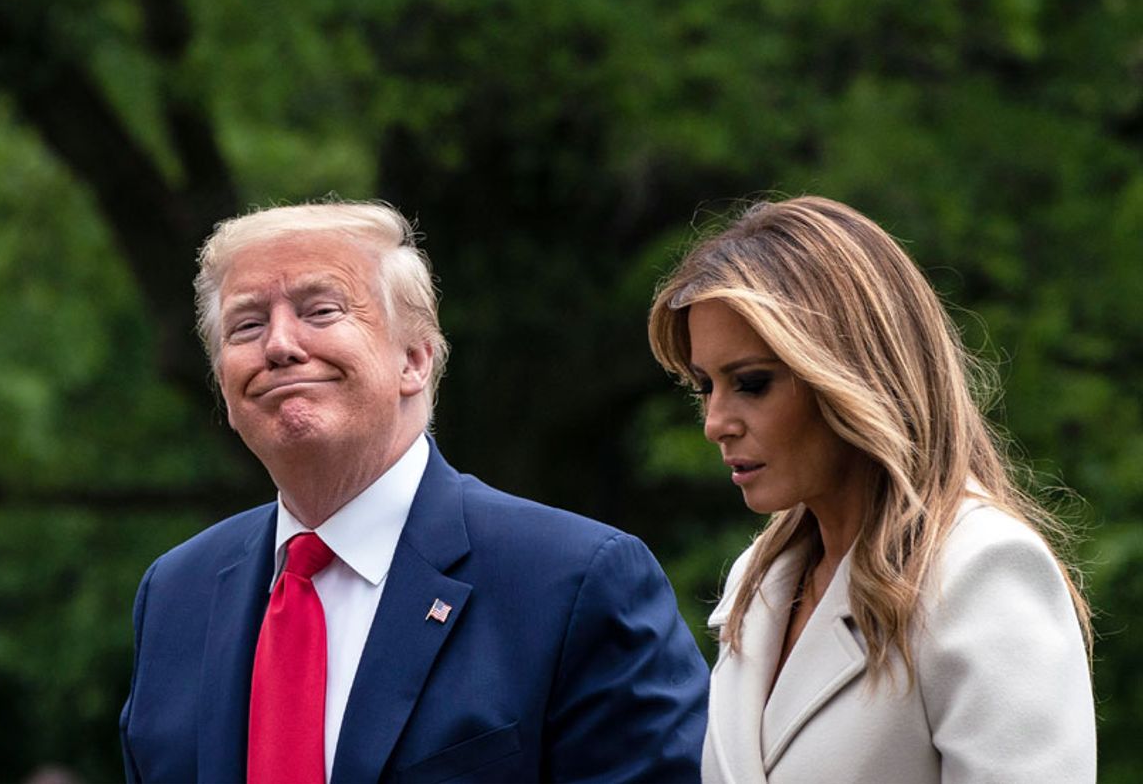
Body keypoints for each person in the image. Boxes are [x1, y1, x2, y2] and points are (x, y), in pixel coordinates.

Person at [120, 200, 708, 783]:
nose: (278, 344)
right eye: (246, 325)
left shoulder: (573, 581)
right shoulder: (176, 595)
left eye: (320, 311)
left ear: (415, 360)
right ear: (222, 383)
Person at [647, 196, 1096, 784]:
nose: (715, 423)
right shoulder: (756, 579)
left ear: (853, 373)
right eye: (705, 387)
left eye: (752, 383)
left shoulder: (980, 570)